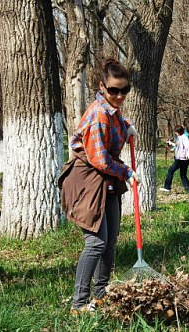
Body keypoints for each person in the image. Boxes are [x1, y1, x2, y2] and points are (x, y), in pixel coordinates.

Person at [58, 58, 139, 315]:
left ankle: (101, 294)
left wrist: (127, 127)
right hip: (87, 181)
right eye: (113, 90)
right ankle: (79, 303)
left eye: (124, 90)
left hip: (107, 181)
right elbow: (99, 159)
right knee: (95, 242)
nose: (119, 95)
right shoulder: (98, 113)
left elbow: (113, 135)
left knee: (110, 240)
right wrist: (127, 172)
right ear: (102, 86)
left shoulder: (112, 111)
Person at [160, 125, 189, 193]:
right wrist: (171, 143)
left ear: (178, 131)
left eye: (176, 132)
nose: (175, 133)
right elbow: (178, 146)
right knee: (183, 175)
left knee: (170, 171)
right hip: (182, 159)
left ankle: (167, 187)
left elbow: (188, 146)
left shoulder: (184, 137)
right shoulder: (180, 137)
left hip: (182, 159)